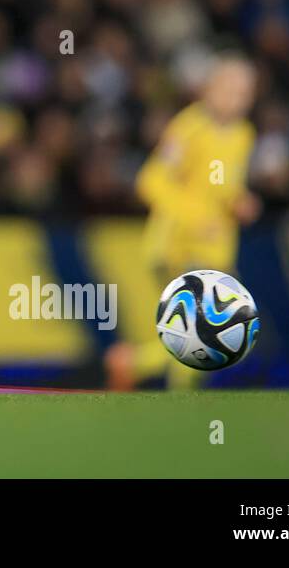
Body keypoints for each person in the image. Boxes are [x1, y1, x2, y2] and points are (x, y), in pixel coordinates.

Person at [105, 54, 261, 391]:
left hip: (216, 248)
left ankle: (133, 364)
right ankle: (177, 400)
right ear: (209, 89)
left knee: (203, 332)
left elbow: (223, 186)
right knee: (203, 330)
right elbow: (151, 181)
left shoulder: (243, 134)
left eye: (245, 92)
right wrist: (196, 218)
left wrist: (239, 201)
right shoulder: (190, 128)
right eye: (230, 89)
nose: (237, 99)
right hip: (176, 243)